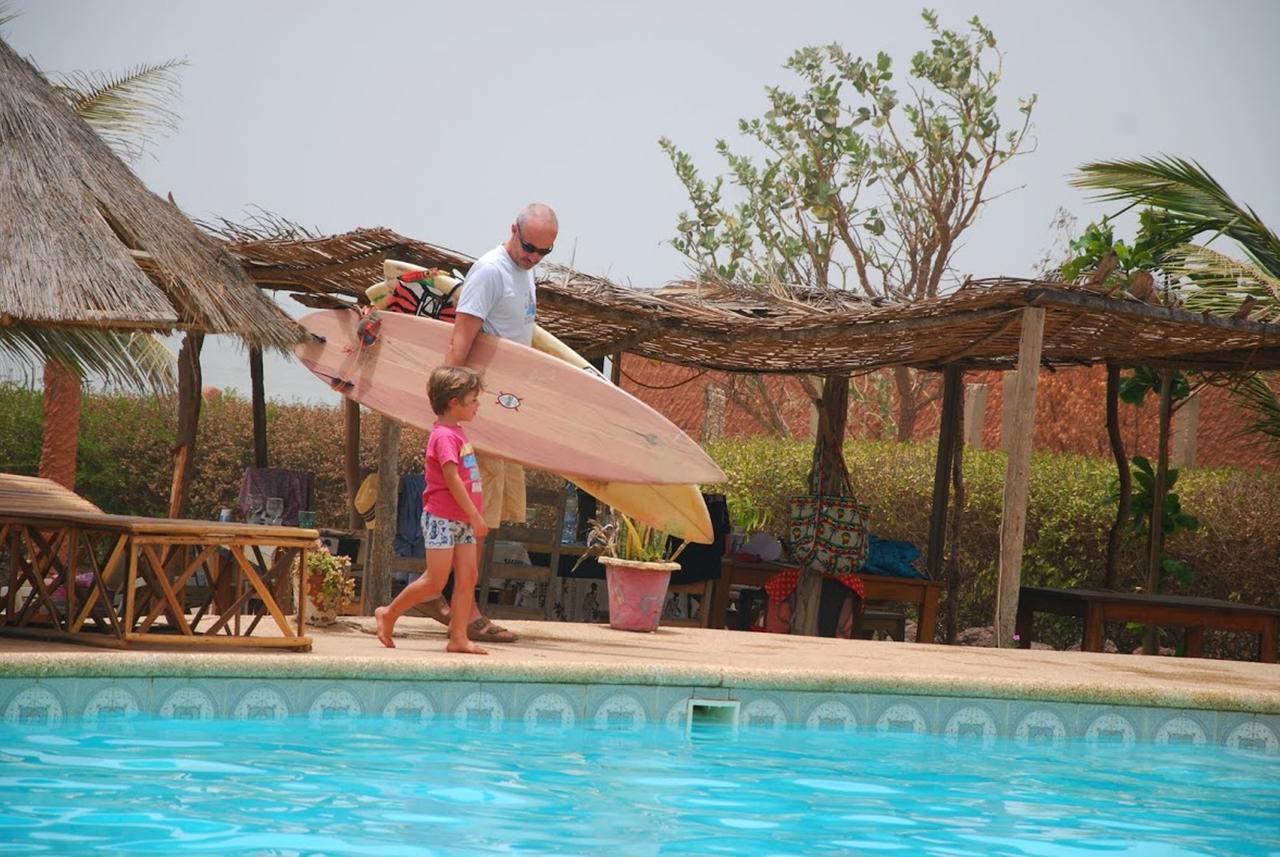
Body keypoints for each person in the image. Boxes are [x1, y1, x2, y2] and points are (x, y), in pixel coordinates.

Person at [418, 203, 560, 643]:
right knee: (472, 516)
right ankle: (466, 612)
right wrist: (444, 416)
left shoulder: (525, 272)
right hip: (472, 416)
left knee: (485, 517)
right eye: (529, 246)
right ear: (512, 230)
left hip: (498, 414)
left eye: (544, 251)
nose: (534, 257)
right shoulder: (490, 271)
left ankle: (438, 595)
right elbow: (460, 341)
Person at [375, 366, 490, 655]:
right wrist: (476, 516)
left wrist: (473, 514)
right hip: (442, 518)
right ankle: (388, 614)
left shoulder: (458, 433)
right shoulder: (443, 437)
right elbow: (451, 479)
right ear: (454, 402)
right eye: (473, 400)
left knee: (467, 577)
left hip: (462, 520)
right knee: (435, 580)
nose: (478, 406)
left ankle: (458, 636)